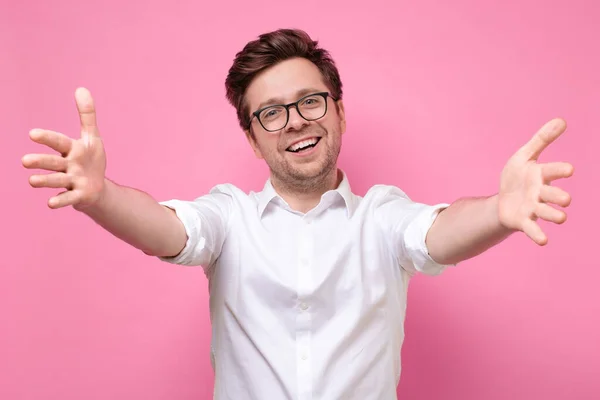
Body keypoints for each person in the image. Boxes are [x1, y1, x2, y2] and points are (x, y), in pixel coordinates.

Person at [21, 28, 574, 400]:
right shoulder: (229, 216)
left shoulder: (382, 215)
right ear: (254, 139)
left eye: (310, 101)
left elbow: (435, 233)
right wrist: (100, 197)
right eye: (270, 113)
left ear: (338, 111)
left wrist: (500, 213)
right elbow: (170, 229)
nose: (295, 122)